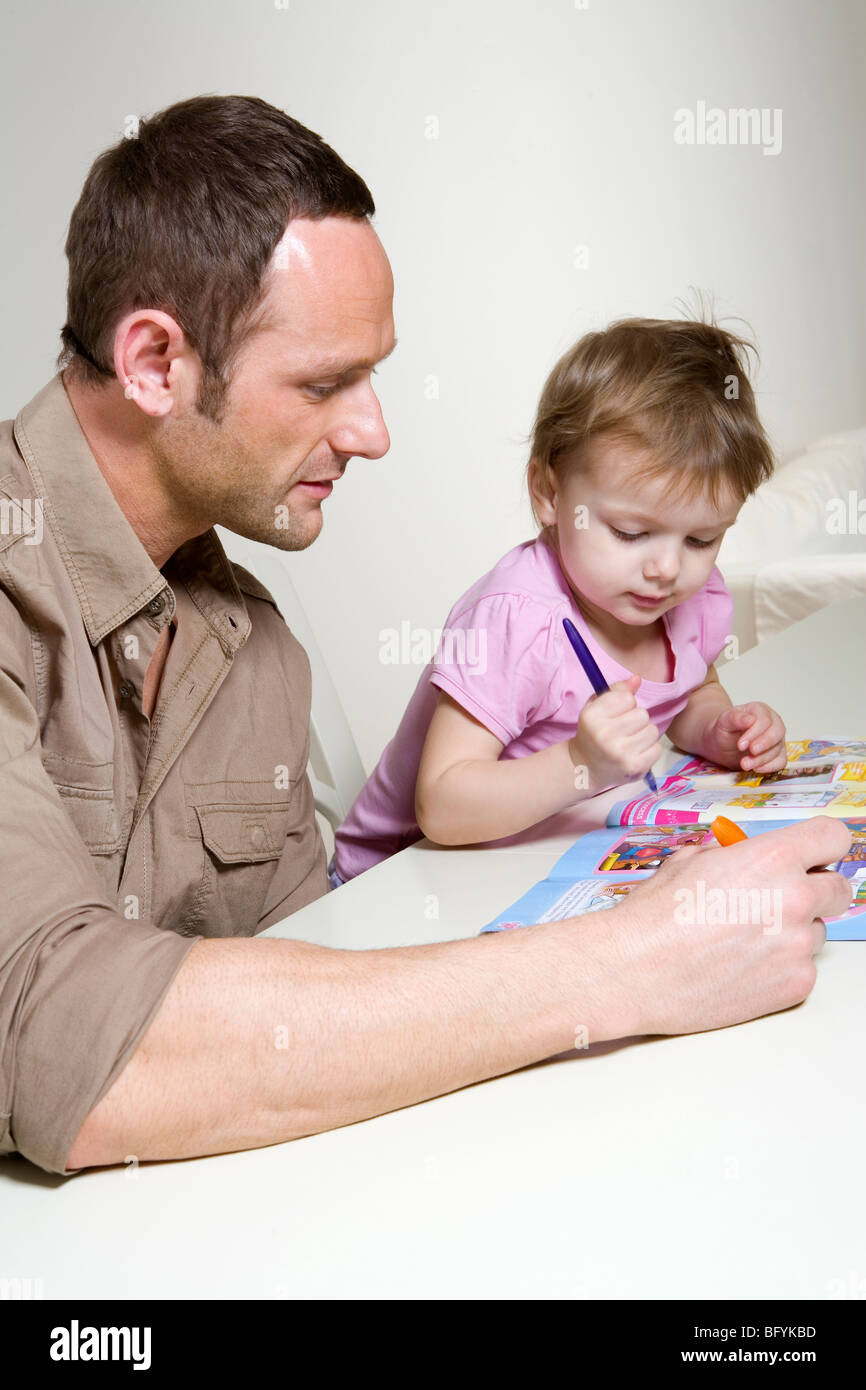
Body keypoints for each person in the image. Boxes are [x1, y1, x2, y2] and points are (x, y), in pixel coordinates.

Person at [0, 95, 852, 1177]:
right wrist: (631, 960)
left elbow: (327, 977)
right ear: (157, 363)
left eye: (374, 374)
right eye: (325, 382)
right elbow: (60, 1048)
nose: (374, 431)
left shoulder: (257, 649)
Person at [330, 318, 787, 886]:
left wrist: (721, 728)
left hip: (533, 861)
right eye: (630, 532)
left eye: (701, 539)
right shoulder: (517, 620)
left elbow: (690, 692)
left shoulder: (693, 599)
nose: (668, 569)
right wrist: (580, 765)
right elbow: (442, 806)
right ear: (550, 494)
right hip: (397, 884)